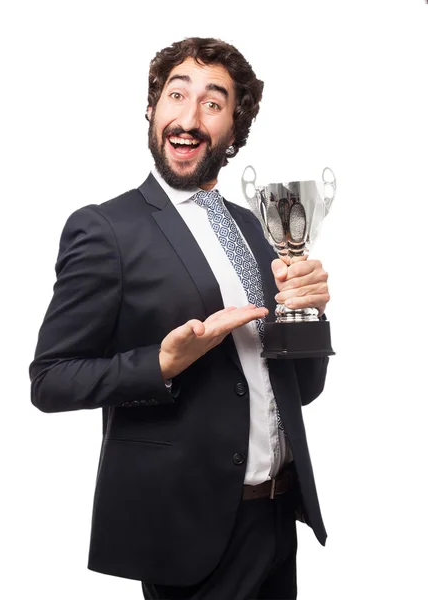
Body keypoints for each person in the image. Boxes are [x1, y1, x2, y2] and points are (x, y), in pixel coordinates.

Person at [30, 37, 331, 600]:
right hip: (188, 534)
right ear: (152, 109)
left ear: (234, 130)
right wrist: (161, 363)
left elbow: (303, 389)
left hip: (277, 517)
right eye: (175, 96)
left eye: (212, 103)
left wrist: (308, 312)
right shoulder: (106, 229)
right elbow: (49, 380)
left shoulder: (260, 228)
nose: (188, 118)